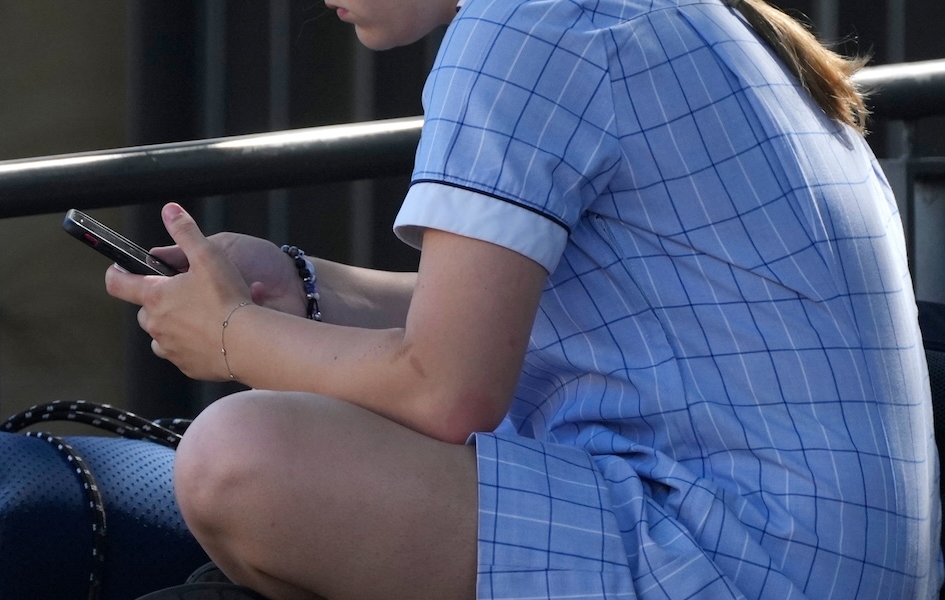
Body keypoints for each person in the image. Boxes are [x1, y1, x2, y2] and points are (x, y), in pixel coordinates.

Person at [105, 0, 943, 597]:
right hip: (822, 557)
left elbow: (448, 389)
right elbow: (511, 315)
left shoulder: (528, 24)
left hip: (730, 559)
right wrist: (303, 288)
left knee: (236, 459)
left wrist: (232, 338)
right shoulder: (694, 18)